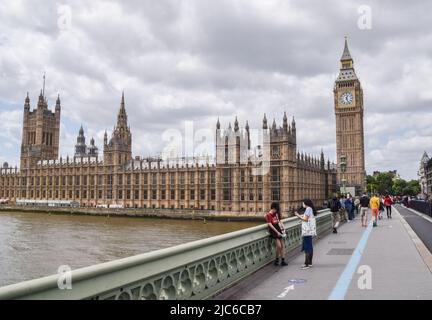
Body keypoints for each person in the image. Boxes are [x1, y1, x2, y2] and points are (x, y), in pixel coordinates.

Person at [295, 199, 317, 270]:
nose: (302, 204)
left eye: (303, 203)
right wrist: (302, 216)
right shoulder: (310, 209)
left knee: (307, 247)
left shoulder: (308, 209)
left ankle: (306, 264)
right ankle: (310, 263)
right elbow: (307, 217)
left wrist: (298, 215)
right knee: (310, 246)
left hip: (306, 231)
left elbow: (305, 219)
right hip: (310, 231)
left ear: (305, 203)